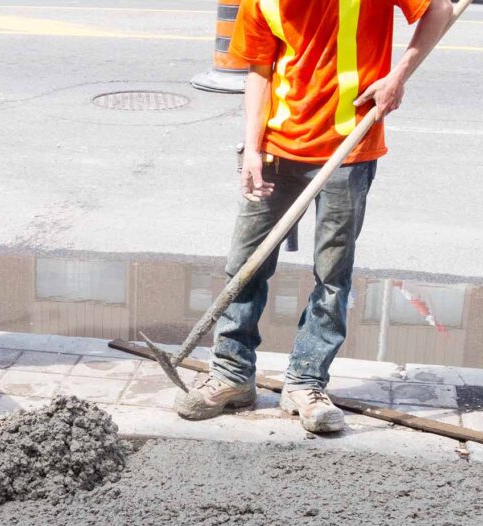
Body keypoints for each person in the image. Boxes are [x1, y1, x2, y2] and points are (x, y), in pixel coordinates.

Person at [176, 0, 453, 433]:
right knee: (244, 267)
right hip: (276, 147)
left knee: (332, 274)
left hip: (349, 146)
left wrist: (397, 77)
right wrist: (251, 148)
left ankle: (306, 383)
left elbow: (440, 8)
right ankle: (232, 375)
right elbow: (259, 71)